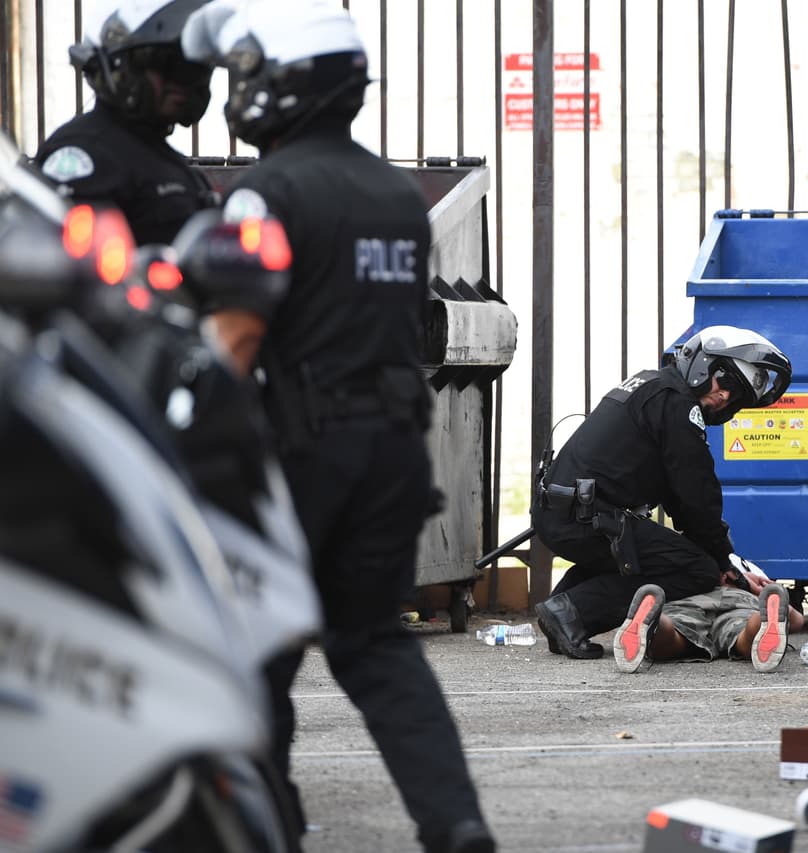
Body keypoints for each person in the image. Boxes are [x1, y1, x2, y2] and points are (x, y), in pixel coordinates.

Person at [181, 3, 495, 852]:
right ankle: (456, 823)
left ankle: (264, 827)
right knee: (374, 646)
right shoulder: (395, 193)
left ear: (285, 84)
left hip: (301, 453)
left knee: (255, 657)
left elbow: (239, 333)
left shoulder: (266, 191)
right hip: (395, 452)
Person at [531, 324, 792, 660]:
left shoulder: (655, 385)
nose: (726, 396)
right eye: (726, 381)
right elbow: (695, 492)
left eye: (737, 394)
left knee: (657, 553)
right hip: (588, 519)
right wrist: (719, 556)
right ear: (702, 366)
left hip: (568, 513)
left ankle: (561, 614)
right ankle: (573, 611)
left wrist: (717, 552)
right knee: (696, 569)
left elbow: (676, 490)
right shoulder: (679, 404)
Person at [35, 0, 217, 247]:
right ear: (123, 67)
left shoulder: (156, 155)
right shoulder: (86, 154)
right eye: (166, 62)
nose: (184, 79)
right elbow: (70, 267)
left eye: (194, 67)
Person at [613, 567, 808, 674]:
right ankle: (762, 620)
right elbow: (797, 621)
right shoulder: (750, 569)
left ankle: (654, 624)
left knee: (676, 634)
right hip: (740, 600)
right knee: (743, 633)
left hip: (690, 599)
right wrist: (763, 591)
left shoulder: (694, 555)